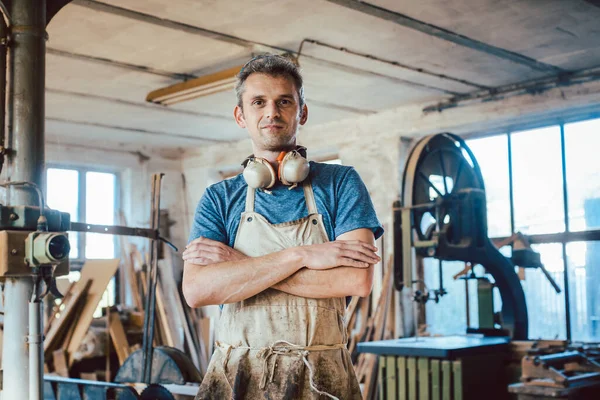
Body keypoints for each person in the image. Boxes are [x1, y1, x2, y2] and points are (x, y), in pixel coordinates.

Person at [182, 54, 384, 400]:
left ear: (301, 112)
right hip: (236, 375)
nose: (271, 112)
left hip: (322, 374)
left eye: (284, 101)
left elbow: (355, 280)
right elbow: (198, 290)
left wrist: (239, 265)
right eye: (258, 102)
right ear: (240, 115)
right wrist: (301, 255)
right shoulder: (219, 197)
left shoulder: (340, 183)